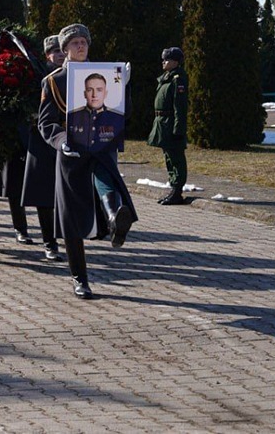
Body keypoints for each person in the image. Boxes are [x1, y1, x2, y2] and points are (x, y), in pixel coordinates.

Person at [38, 24, 137, 298]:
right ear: (65, 49)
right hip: (72, 152)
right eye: (75, 43)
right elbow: (46, 122)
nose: (81, 46)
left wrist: (124, 86)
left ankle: (116, 220)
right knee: (71, 219)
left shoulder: (108, 74)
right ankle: (79, 278)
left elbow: (125, 114)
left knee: (106, 181)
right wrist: (61, 141)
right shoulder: (53, 81)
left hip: (101, 146)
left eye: (84, 41)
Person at [22, 35, 65, 261]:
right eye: (55, 51)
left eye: (62, 50)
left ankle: (68, 236)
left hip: (70, 140)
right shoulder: (36, 77)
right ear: (47, 55)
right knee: (44, 196)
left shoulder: (76, 75)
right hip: (42, 140)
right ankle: (49, 242)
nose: (60, 55)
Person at [147, 47, 189, 206]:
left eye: (167, 59)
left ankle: (177, 190)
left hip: (170, 123)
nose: (163, 62)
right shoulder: (166, 78)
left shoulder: (178, 79)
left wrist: (178, 129)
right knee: (168, 156)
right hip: (162, 122)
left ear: (176, 62)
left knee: (176, 157)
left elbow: (180, 106)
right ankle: (173, 187)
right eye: (163, 59)